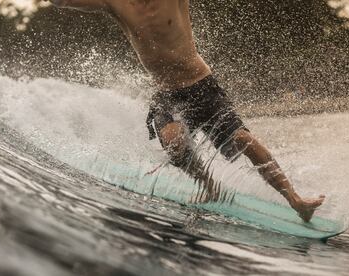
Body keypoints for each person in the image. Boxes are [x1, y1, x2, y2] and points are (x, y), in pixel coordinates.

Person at [49, 0, 325, 222]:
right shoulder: (115, 4)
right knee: (174, 142)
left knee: (243, 140)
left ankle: (296, 201)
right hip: (167, 96)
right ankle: (209, 186)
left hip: (203, 87)